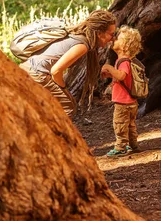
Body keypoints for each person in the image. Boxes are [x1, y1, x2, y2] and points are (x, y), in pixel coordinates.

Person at [20, 10, 117, 118]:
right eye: (111, 34)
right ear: (99, 33)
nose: (113, 38)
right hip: (37, 73)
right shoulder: (82, 45)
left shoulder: (77, 35)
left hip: (29, 67)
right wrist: (63, 88)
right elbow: (56, 71)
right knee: (67, 107)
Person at [100, 26, 143, 157]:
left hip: (123, 103)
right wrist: (109, 75)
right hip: (131, 102)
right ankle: (133, 144)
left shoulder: (123, 61)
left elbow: (121, 76)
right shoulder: (125, 61)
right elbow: (121, 78)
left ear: (124, 45)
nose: (113, 39)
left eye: (117, 38)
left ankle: (120, 147)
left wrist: (108, 67)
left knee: (120, 124)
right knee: (130, 125)